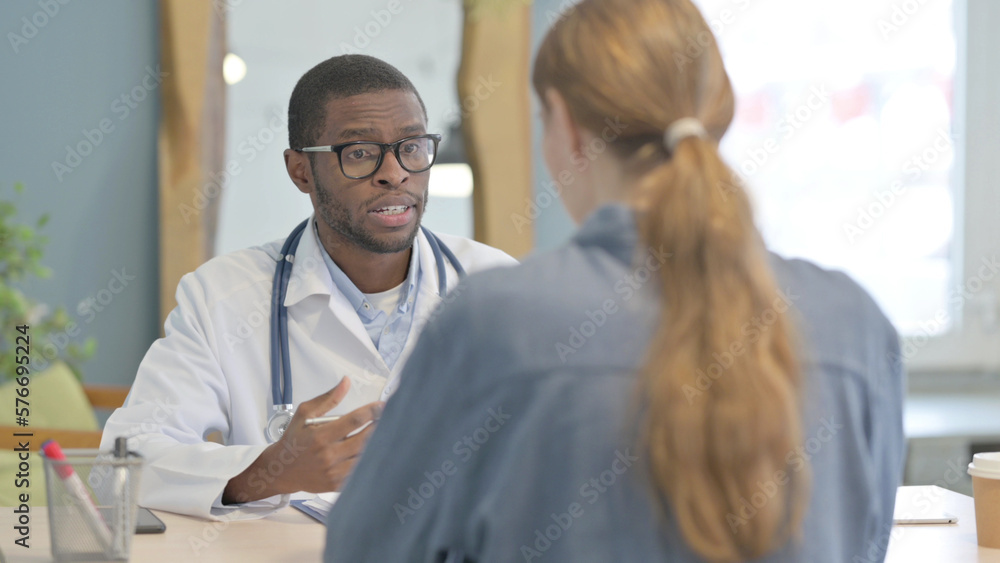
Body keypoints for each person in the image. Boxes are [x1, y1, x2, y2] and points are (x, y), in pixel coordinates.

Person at [323, 1, 904, 561]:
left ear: (568, 127)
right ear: (717, 114)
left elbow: (368, 551)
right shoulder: (853, 322)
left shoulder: (497, 322)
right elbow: (867, 541)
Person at [100, 55, 516, 520]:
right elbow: (123, 462)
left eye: (412, 147)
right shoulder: (223, 296)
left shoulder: (495, 286)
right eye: (359, 152)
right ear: (301, 171)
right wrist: (272, 469)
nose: (395, 172)